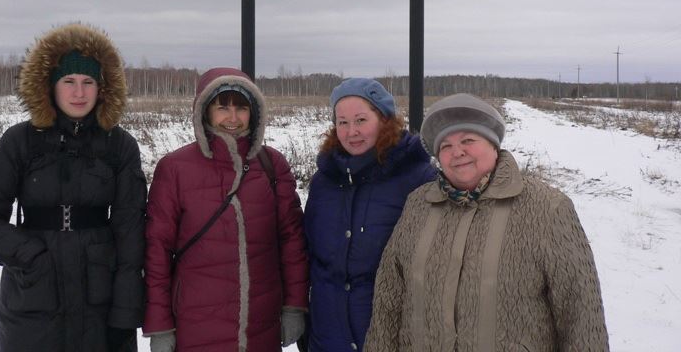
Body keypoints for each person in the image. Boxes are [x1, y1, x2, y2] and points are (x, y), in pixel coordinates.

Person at [364, 93, 610, 351]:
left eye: (468, 140)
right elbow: (388, 301)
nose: (457, 152)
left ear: (493, 145)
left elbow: (580, 313)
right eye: (445, 146)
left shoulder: (547, 208)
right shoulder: (418, 205)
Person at [0, 23, 147, 352]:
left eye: (88, 82)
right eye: (69, 82)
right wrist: (32, 258)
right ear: (50, 86)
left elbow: (130, 233)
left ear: (102, 88)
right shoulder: (19, 141)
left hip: (100, 300)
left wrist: (125, 314)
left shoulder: (119, 146)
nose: (79, 93)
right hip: (33, 301)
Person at [143, 67, 308, 352]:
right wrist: (160, 325)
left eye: (241, 108)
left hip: (261, 328)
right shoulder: (175, 168)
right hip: (195, 328)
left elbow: (292, 241)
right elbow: (156, 250)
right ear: (204, 111)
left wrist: (294, 305)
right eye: (222, 107)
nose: (232, 118)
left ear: (253, 112)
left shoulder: (272, 165)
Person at [303, 78, 436, 352]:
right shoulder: (323, 182)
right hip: (328, 338)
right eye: (342, 122)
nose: (352, 131)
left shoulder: (418, 178)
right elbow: (310, 256)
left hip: (390, 339)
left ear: (384, 120)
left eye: (361, 120)